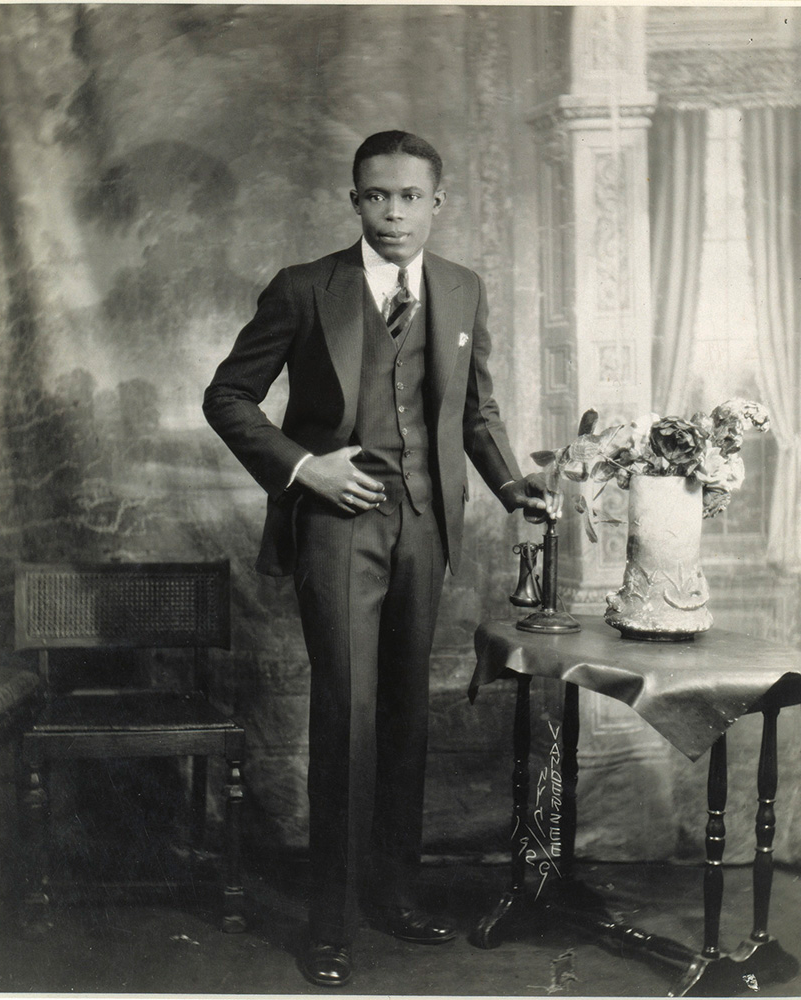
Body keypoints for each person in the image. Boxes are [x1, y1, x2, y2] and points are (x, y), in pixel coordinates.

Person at [203, 130, 557, 988]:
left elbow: (476, 415)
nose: (392, 212)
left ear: (438, 202)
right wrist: (302, 466)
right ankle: (329, 923)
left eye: (408, 196)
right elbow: (228, 395)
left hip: (426, 527)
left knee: (406, 716)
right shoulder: (304, 289)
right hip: (337, 527)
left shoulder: (463, 289)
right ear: (354, 200)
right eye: (375, 196)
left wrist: (515, 488)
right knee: (347, 717)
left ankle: (394, 897)